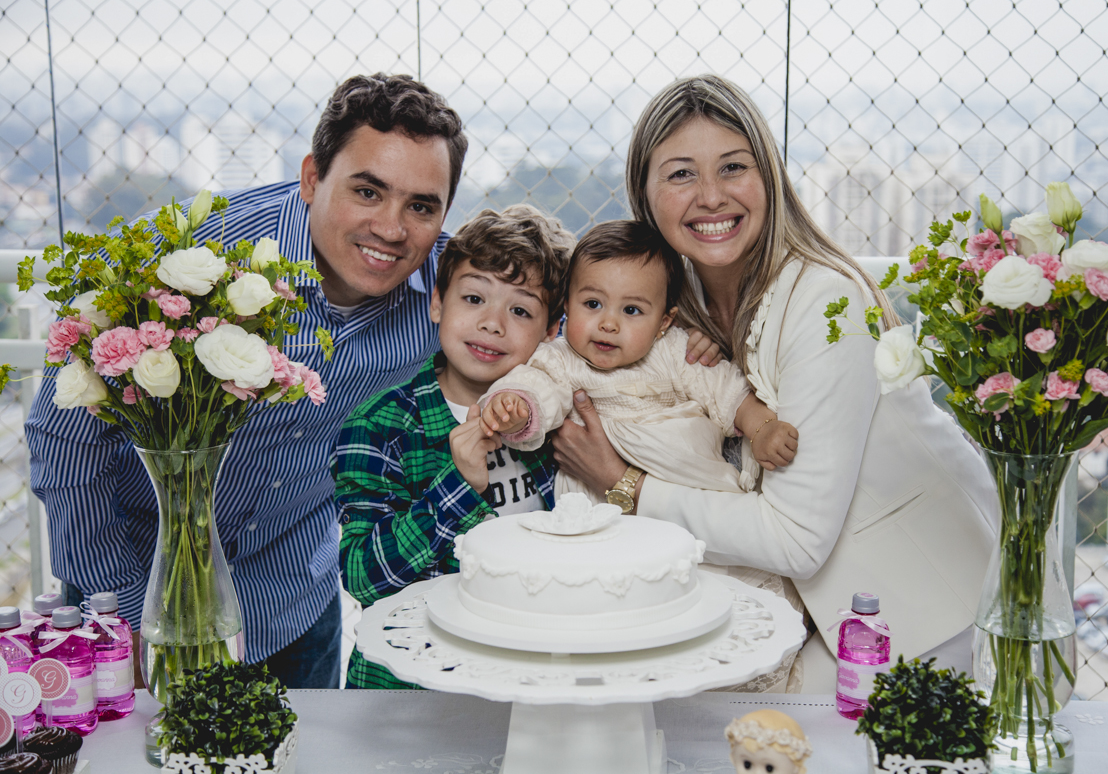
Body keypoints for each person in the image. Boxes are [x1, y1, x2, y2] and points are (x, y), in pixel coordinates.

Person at [550, 74, 998, 692]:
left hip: (928, 621)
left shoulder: (823, 299)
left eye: (732, 167)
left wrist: (622, 484)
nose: (710, 196)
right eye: (681, 174)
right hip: (823, 620)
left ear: (769, 176)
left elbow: (796, 539)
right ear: (645, 196)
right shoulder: (673, 317)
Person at [26, 72, 468, 688]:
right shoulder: (187, 255)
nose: (393, 230)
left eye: (421, 206)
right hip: (133, 592)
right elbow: (64, 435)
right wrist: (127, 608)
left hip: (288, 601)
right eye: (367, 192)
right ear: (313, 177)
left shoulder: (457, 297)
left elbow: (570, 317)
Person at [332, 205, 572, 688]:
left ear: (552, 332)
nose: (492, 323)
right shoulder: (380, 426)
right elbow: (361, 575)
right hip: (410, 684)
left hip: (525, 674)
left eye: (520, 309)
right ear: (437, 303)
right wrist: (459, 486)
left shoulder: (561, 419)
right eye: (474, 298)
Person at [480, 219, 797, 505]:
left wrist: (763, 428)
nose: (608, 323)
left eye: (631, 310)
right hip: (600, 503)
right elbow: (537, 387)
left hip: (695, 487)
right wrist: (516, 407)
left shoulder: (676, 351)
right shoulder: (561, 360)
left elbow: (728, 392)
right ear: (566, 307)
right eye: (593, 304)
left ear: (663, 322)